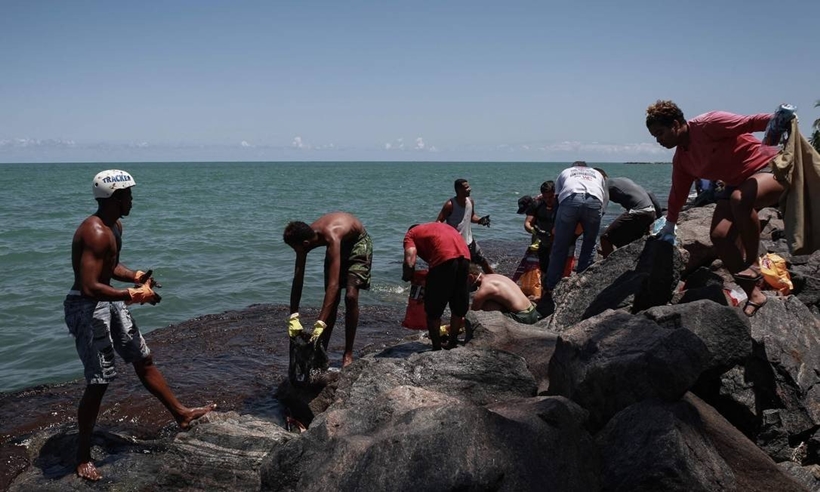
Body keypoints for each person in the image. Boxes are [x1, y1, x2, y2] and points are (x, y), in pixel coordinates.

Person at [64, 170, 215, 481]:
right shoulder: (94, 232)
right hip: (87, 307)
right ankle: (81, 456)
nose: (132, 199)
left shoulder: (114, 226)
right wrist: (132, 295)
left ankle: (182, 415)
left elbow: (110, 266)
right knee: (99, 381)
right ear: (116, 198)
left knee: (143, 359)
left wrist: (135, 276)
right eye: (128, 195)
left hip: (110, 301)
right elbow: (91, 286)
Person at [646, 100, 785, 316]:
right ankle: (755, 294)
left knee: (740, 200)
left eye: (660, 133)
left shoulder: (709, 124)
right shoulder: (682, 159)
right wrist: (670, 224)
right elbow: (678, 194)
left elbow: (750, 122)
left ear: (675, 124)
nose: (658, 140)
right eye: (655, 136)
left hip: (768, 167)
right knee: (719, 236)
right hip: (735, 182)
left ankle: (752, 261)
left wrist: (780, 120)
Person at [283, 212, 372, 368]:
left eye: (295, 249)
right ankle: (320, 351)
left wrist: (319, 323)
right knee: (332, 300)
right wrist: (293, 316)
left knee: (350, 296)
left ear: (305, 244)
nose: (296, 253)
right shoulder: (305, 237)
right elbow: (298, 279)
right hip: (338, 246)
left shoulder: (331, 236)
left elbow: (334, 285)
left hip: (357, 244)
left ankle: (348, 354)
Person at [402, 222, 471, 350]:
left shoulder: (410, 235)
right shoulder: (434, 228)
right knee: (458, 305)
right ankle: (452, 342)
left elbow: (410, 261)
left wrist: (407, 275)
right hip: (465, 256)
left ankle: (436, 347)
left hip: (444, 257)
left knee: (433, 309)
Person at [544, 161, 608, 294]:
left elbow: (557, 198)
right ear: (586, 167)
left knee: (560, 246)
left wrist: (555, 224)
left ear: (574, 167)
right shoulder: (597, 174)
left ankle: (551, 285)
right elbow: (604, 196)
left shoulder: (566, 172)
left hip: (571, 199)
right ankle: (582, 283)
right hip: (595, 201)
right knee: (589, 243)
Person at [436, 178, 494, 274]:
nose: (469, 189)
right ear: (459, 190)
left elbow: (471, 217)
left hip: (470, 241)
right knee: (462, 270)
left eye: (469, 187)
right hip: (456, 244)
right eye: (466, 187)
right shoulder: (450, 205)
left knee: (483, 263)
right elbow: (438, 222)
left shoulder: (470, 201)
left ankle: (497, 282)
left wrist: (480, 220)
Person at [599, 175, 659, 258]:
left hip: (638, 212)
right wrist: (660, 217)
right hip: (651, 212)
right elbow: (649, 193)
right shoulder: (624, 180)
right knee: (625, 240)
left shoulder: (605, 183)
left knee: (605, 237)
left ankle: (607, 266)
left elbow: (603, 206)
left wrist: (592, 222)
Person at [468, 268, 541, 324]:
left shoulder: (484, 290)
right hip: (533, 312)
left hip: (523, 318)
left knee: (487, 305)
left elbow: (473, 314)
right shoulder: (494, 276)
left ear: (470, 277)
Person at [524, 181, 558, 279]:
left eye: (551, 197)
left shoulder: (561, 204)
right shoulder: (537, 204)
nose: (548, 200)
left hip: (557, 238)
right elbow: (527, 224)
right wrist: (535, 231)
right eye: (545, 197)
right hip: (540, 238)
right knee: (542, 265)